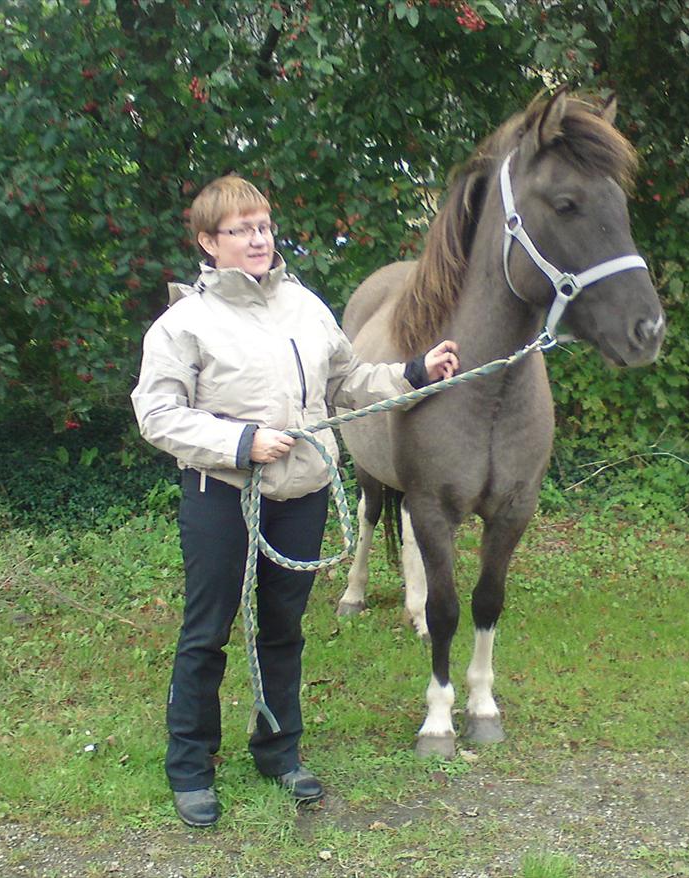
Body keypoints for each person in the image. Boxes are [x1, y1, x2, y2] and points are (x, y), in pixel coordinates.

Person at [131, 175, 459, 828]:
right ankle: (190, 765)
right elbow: (156, 414)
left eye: (263, 226)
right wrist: (241, 441)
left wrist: (414, 374)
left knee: (283, 629)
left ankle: (278, 750)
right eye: (240, 229)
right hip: (221, 496)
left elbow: (349, 381)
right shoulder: (184, 324)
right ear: (207, 242)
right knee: (208, 632)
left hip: (302, 493)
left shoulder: (305, 308)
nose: (257, 239)